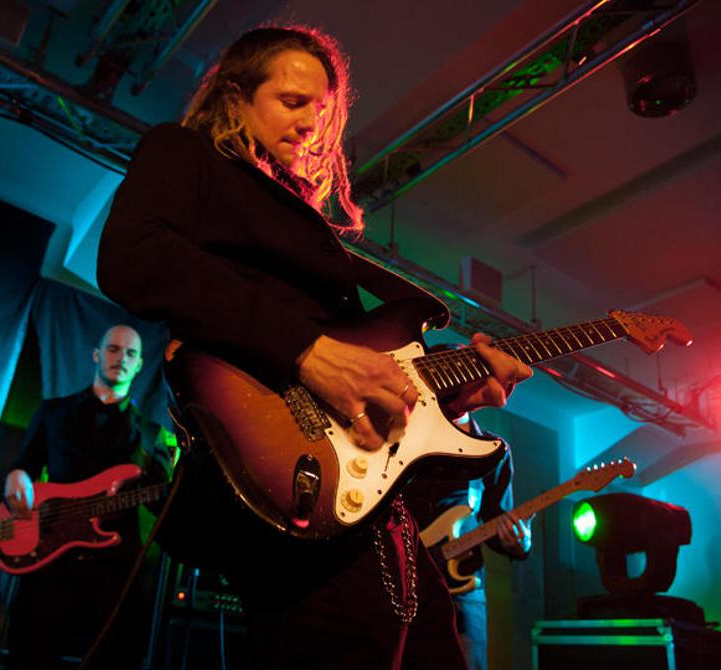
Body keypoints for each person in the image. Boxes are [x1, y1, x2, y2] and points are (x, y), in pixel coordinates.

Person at [96, 26, 533, 670]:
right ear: (236, 98)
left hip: (376, 510)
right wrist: (307, 351)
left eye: (320, 109)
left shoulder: (301, 216)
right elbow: (132, 255)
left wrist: (454, 398)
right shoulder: (185, 153)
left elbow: (365, 369)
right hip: (296, 483)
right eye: (292, 101)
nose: (310, 122)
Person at [1, 325, 174, 670]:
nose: (121, 358)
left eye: (131, 353)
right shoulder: (53, 411)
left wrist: (170, 486)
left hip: (113, 569)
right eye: (113, 349)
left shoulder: (152, 434)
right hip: (48, 557)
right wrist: (16, 476)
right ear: (96, 354)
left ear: (140, 365)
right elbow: (25, 464)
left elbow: (160, 505)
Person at [405, 406, 532, 670]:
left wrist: (520, 543)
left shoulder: (493, 449)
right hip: (401, 576)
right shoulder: (409, 429)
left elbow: (496, 517)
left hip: (461, 583)